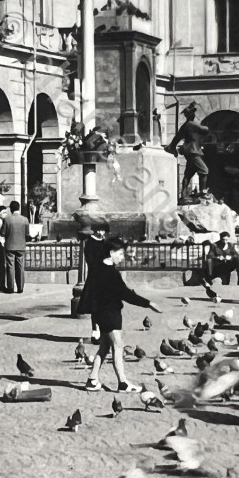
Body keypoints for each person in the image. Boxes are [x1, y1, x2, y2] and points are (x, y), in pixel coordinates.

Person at [79, 238, 160, 392]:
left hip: (102, 314)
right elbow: (126, 294)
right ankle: (122, 383)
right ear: (111, 253)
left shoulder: (97, 268)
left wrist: (95, 317)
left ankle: (92, 379)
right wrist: (149, 303)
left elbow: (92, 295)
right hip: (110, 314)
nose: (123, 257)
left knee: (104, 347)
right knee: (118, 346)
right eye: (121, 253)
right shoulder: (111, 273)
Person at [165, 102, 212, 201]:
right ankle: (203, 192)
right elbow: (205, 129)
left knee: (188, 174)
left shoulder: (185, 126)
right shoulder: (191, 124)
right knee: (204, 171)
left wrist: (172, 146)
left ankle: (183, 195)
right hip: (193, 151)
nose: (194, 114)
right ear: (190, 115)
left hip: (189, 151)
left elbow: (177, 137)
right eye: (193, 113)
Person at [0, 199, 28, 294]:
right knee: (20, 266)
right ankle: (20, 288)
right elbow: (27, 234)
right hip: (21, 246)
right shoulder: (25, 219)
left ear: (11, 209)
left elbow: (3, 233)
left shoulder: (7, 219)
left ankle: (10, 287)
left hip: (10, 246)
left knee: (10, 267)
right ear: (19, 208)